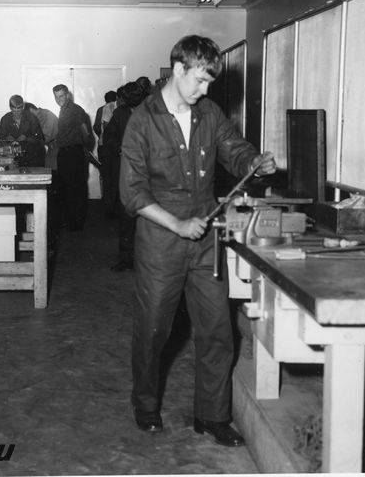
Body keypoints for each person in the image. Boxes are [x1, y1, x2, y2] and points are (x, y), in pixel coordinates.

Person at [120, 35, 276, 444]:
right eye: (200, 81)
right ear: (178, 70)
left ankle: (212, 415)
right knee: (154, 330)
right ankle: (146, 404)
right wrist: (176, 225)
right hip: (160, 241)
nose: (205, 91)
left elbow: (234, 149)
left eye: (209, 83)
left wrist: (254, 162)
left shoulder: (208, 113)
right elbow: (132, 192)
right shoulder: (143, 119)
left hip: (206, 239)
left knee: (217, 330)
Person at [103, 80, 146, 271]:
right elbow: (108, 136)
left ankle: (146, 261)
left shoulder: (152, 113)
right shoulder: (119, 113)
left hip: (149, 174)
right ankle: (126, 259)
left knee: (147, 220)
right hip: (126, 172)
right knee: (126, 218)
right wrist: (117, 147)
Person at [53, 84, 94, 232]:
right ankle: (71, 221)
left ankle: (77, 223)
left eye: (61, 96)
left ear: (67, 95)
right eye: (56, 96)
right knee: (67, 188)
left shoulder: (76, 110)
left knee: (76, 188)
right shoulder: (63, 110)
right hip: (65, 152)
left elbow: (86, 132)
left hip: (73, 153)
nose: (59, 99)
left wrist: (83, 149)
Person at [0, 95, 45, 168]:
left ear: (23, 107)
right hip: (14, 158)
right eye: (14, 110)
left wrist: (27, 138)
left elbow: (40, 139)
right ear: (10, 107)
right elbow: (0, 140)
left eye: (19, 110)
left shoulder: (32, 118)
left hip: (33, 158)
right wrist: (7, 139)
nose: (16, 113)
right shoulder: (5, 119)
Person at [93, 90, 118, 217]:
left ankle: (107, 205)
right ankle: (114, 205)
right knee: (115, 177)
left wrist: (101, 135)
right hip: (115, 148)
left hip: (103, 148)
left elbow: (96, 127)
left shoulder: (100, 109)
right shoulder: (118, 109)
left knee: (105, 177)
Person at [25, 102, 58, 171]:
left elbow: (44, 138)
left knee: (54, 174)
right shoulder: (37, 119)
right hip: (52, 150)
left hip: (60, 150)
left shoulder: (48, 116)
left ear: (31, 110)